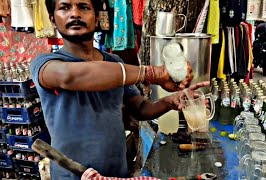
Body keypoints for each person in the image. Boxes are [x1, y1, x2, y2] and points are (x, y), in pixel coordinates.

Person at [31, 0, 208, 179]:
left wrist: (169, 101)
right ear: (53, 19)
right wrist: (153, 73)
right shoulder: (46, 65)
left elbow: (140, 109)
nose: (75, 13)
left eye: (84, 7)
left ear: (98, 18)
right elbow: (70, 76)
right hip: (71, 175)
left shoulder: (115, 63)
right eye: (65, 7)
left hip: (116, 171)